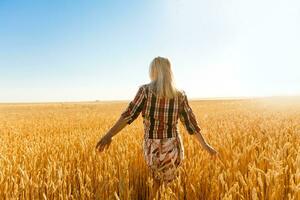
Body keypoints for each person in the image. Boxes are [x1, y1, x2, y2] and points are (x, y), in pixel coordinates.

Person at [96, 56, 218, 196]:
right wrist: (205, 145)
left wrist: (109, 135)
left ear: (153, 71)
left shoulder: (145, 91)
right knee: (171, 187)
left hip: (152, 147)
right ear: (169, 71)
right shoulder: (179, 95)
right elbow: (191, 123)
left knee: (156, 184)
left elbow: (129, 115)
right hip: (173, 146)